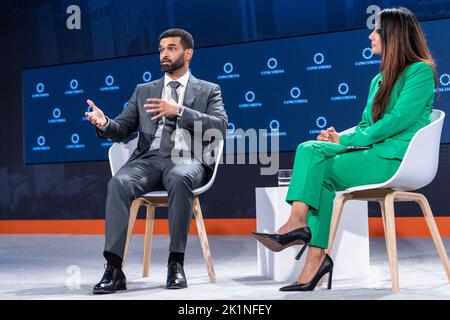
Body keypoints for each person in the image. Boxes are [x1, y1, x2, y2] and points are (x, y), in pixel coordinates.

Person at [252, 7, 436, 291]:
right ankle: (309, 245)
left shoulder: (419, 71)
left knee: (319, 171)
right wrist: (340, 136)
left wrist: (346, 142)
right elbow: (365, 125)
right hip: (371, 151)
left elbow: (398, 120)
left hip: (393, 158)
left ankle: (304, 239)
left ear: (393, 36)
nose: (371, 36)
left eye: (376, 31)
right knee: (309, 149)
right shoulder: (379, 80)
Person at [85, 28, 228, 294]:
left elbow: (219, 127)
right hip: (149, 160)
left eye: (171, 48)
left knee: (180, 176)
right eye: (161, 49)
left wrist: (180, 111)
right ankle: (114, 268)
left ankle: (176, 263)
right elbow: (122, 128)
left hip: (186, 159)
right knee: (119, 182)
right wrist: (104, 123)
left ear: (188, 54)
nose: (164, 54)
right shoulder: (144, 90)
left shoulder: (208, 90)